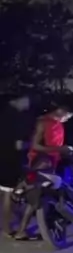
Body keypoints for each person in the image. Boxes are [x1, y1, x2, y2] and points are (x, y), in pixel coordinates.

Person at [14, 104, 73, 241]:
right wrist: (59, 150)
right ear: (61, 111)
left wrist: (62, 151)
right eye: (67, 116)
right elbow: (35, 145)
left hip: (52, 162)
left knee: (42, 197)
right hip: (40, 162)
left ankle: (38, 227)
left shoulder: (58, 124)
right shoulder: (43, 122)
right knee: (35, 199)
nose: (67, 120)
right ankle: (21, 231)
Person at [0, 95, 33, 237]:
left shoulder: (3, 114)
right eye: (27, 100)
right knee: (8, 194)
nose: (28, 104)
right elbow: (19, 145)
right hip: (9, 160)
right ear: (18, 100)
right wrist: (31, 144)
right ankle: (7, 228)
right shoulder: (15, 118)